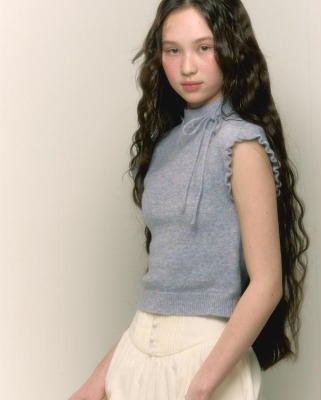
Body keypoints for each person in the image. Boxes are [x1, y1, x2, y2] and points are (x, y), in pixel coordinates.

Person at [69, 0, 308, 399]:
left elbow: (267, 285)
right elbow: (164, 287)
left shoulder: (242, 145)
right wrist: (98, 380)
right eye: (172, 50)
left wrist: (199, 387)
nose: (187, 67)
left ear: (231, 48)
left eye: (204, 47)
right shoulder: (164, 145)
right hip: (136, 355)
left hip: (206, 361)